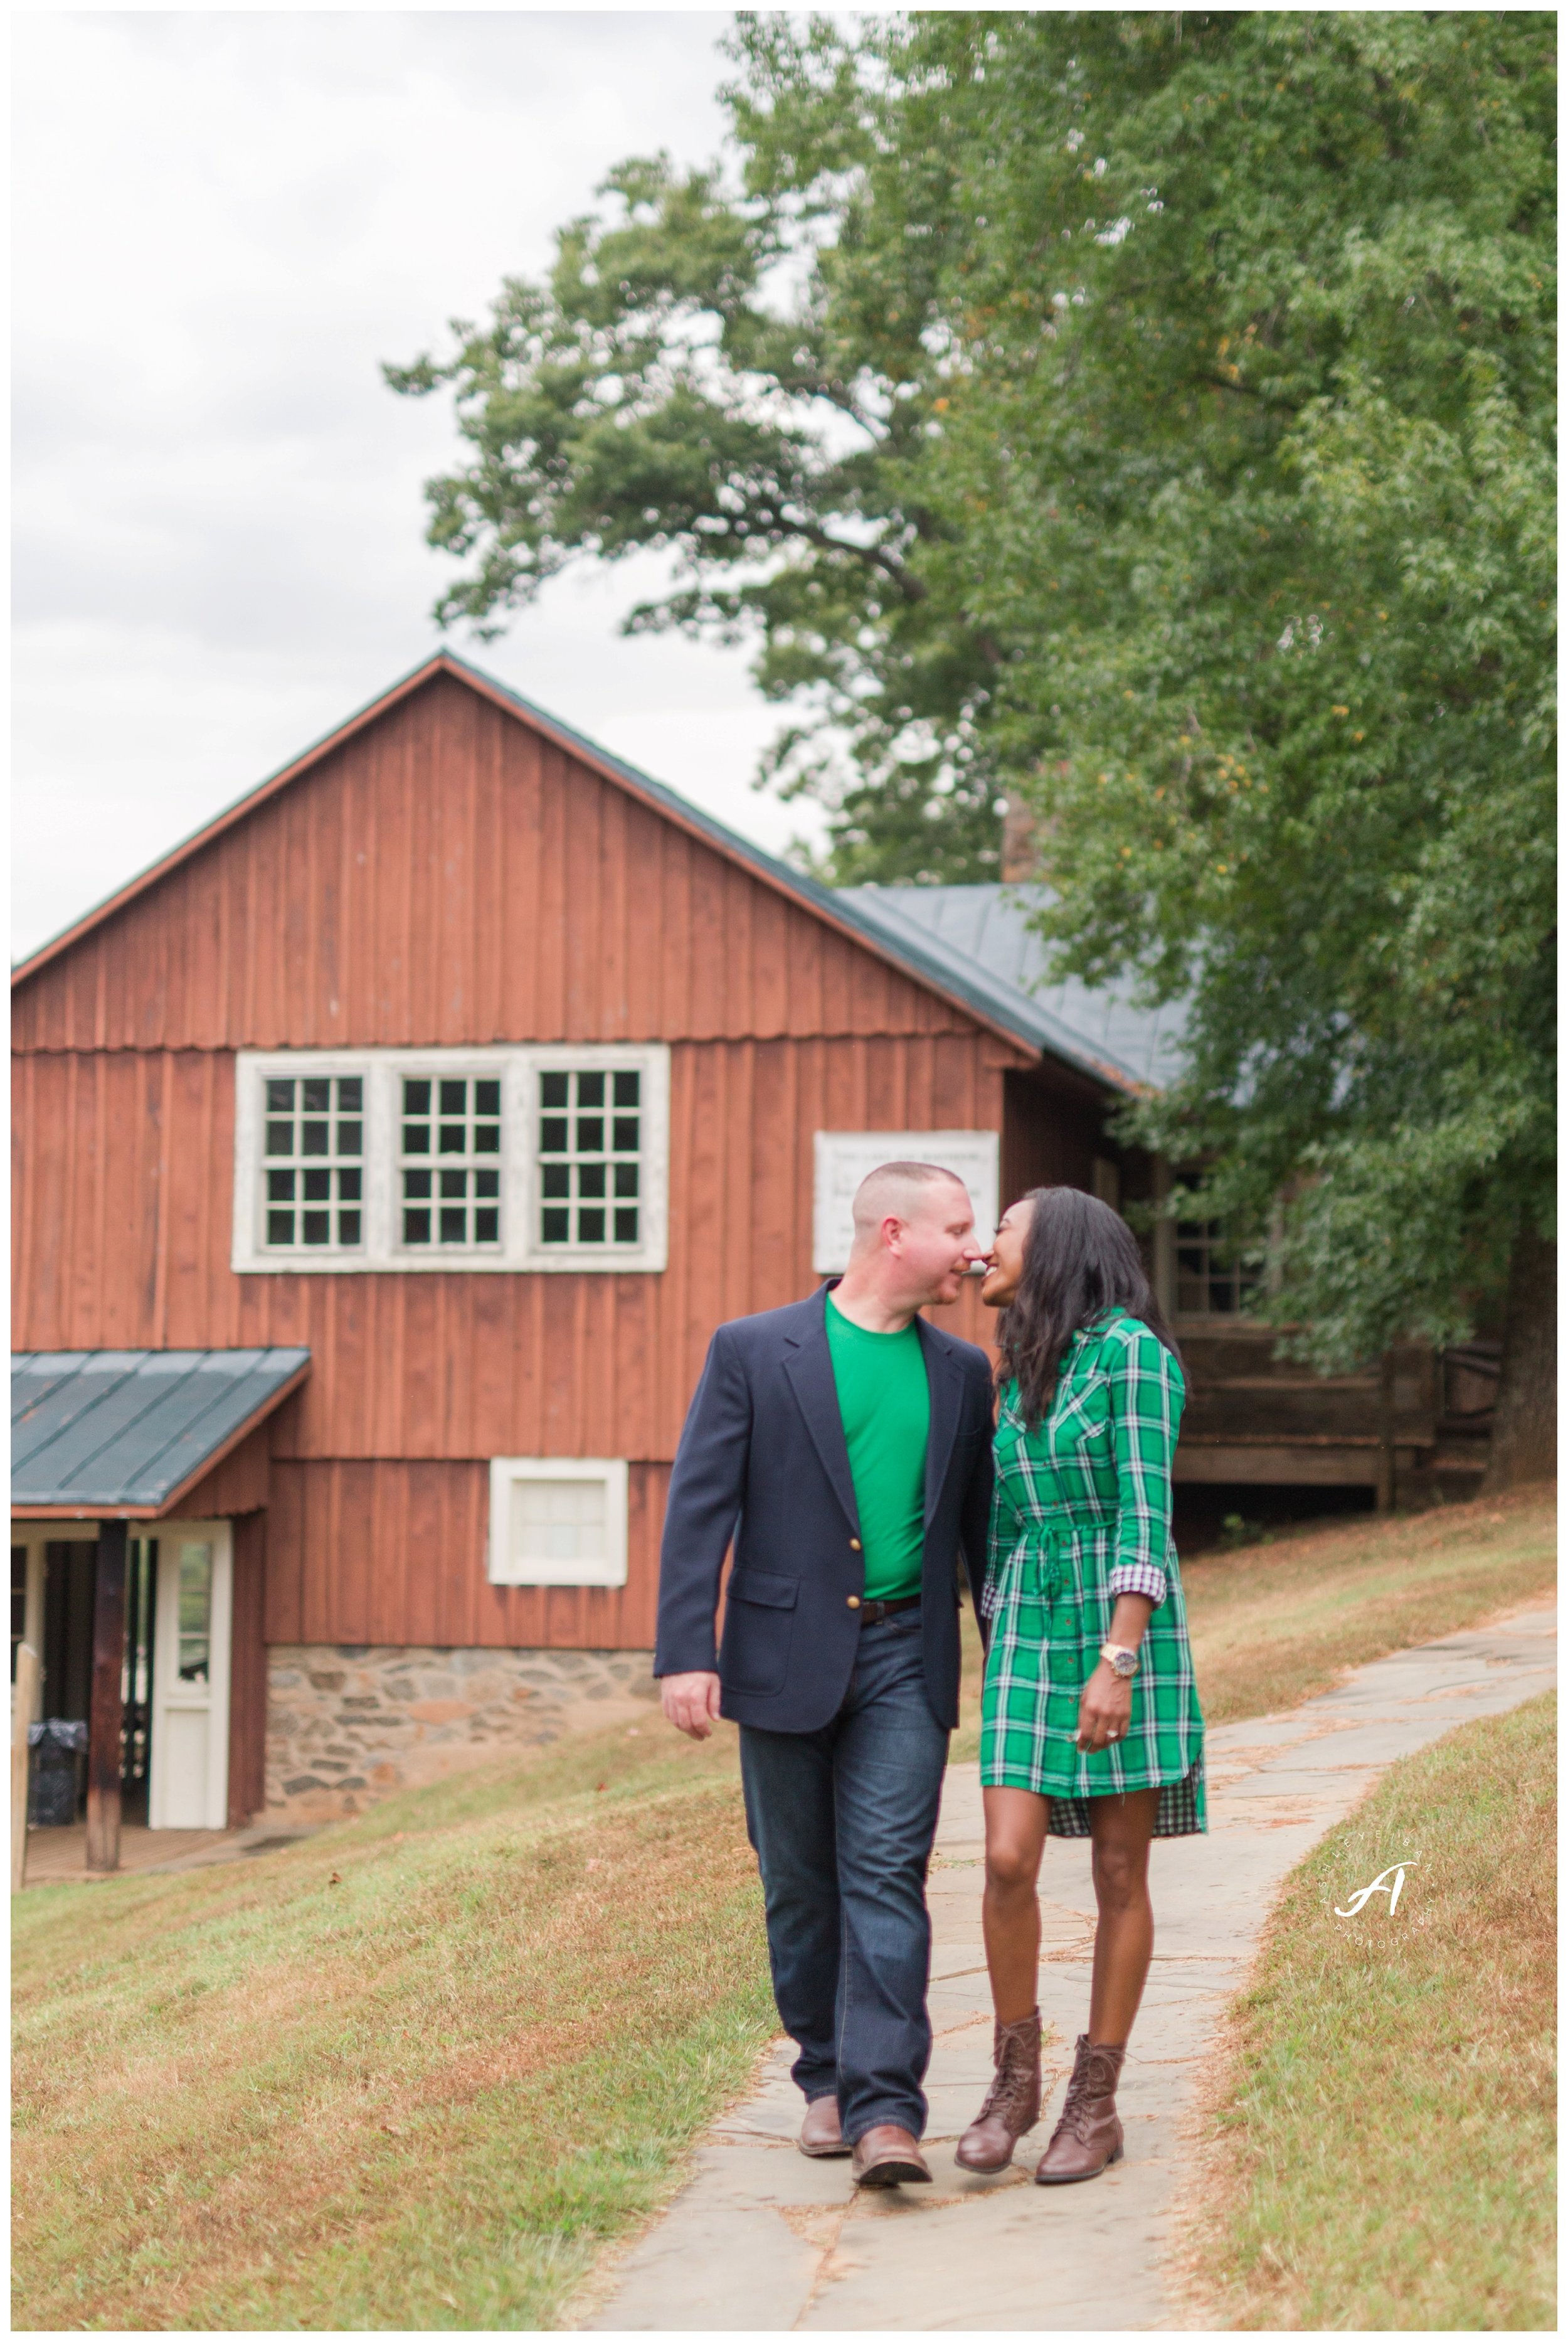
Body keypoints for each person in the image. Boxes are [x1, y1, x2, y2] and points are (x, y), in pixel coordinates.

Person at [655, 1163, 995, 2188]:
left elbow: (979, 1531)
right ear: (897, 1233)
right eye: (961, 1230)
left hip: (906, 1653)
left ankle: (888, 2108)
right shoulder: (755, 1350)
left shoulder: (965, 1371)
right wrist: (685, 1651)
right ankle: (826, 2079)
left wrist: (1011, 1642)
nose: (976, 1252)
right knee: (799, 1884)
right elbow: (698, 1507)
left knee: (887, 1872)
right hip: (782, 1656)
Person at [955, 1184, 1205, 2184]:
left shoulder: (1134, 1357)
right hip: (1027, 1619)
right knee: (1007, 1858)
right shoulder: (1014, 1367)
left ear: (1056, 1246)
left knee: (1115, 1871)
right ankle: (1014, 2084)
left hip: (1118, 1621)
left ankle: (1093, 2104)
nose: (984, 1249)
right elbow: (1005, 1522)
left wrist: (1119, 1657)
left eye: (1002, 1232)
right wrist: (993, 1634)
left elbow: (1146, 1515)